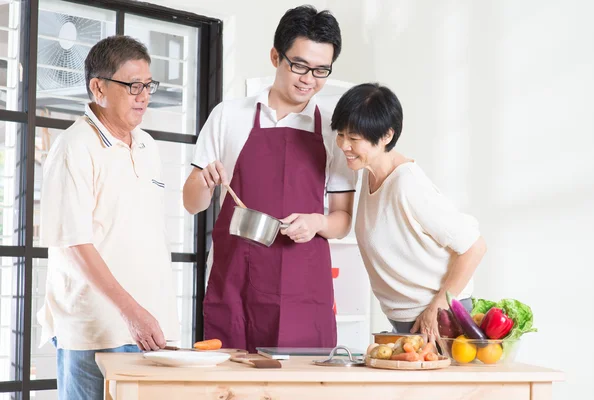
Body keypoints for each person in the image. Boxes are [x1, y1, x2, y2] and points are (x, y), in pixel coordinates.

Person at [183, 5, 355, 352]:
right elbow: (190, 203)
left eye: (321, 70)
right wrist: (206, 182)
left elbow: (343, 220)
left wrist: (316, 221)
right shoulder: (229, 116)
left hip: (303, 291)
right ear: (276, 56)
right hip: (236, 284)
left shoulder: (333, 132)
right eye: (300, 65)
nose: (309, 79)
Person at [37, 35, 179, 400]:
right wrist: (130, 311)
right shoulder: (73, 147)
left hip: (151, 332)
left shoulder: (147, 146)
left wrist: (149, 316)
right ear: (98, 87)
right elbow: (73, 243)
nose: (143, 96)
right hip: (96, 333)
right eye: (133, 85)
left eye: (148, 85)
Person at [331, 83, 487, 345]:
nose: (344, 145)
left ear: (386, 136)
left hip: (440, 323)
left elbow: (474, 246)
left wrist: (437, 307)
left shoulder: (407, 184)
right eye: (341, 134)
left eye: (354, 138)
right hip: (410, 324)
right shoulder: (368, 177)